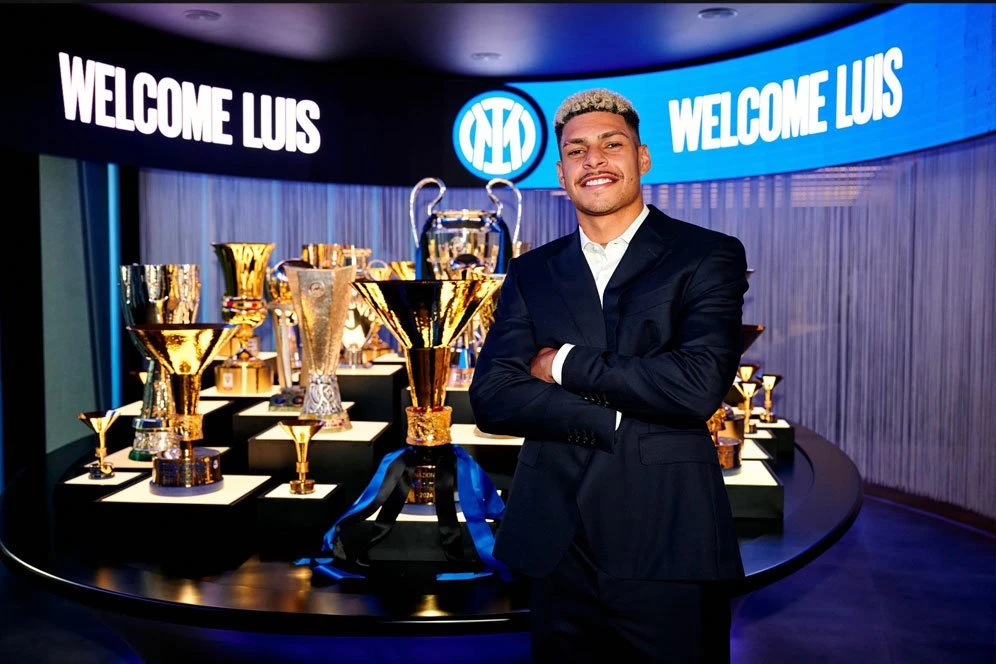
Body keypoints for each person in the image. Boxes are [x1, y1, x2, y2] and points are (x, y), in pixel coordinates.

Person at [468, 88, 748, 662]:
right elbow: (493, 397)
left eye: (611, 144)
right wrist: (614, 416)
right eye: (576, 150)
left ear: (642, 157)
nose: (593, 160)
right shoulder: (530, 271)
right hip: (555, 542)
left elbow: (695, 386)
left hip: (667, 535)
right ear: (561, 172)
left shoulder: (706, 255)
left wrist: (560, 363)